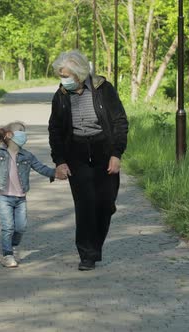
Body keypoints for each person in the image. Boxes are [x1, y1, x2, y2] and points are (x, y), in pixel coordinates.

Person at [48, 50, 129, 271]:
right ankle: (87, 254)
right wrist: (60, 161)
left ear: (80, 73)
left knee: (105, 204)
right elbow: (54, 130)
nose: (63, 80)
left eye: (66, 75)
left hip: (104, 150)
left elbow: (120, 121)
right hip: (77, 153)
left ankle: (95, 245)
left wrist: (116, 153)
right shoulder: (62, 95)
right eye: (61, 75)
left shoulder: (104, 89)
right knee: (84, 205)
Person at [0, 121, 57, 268]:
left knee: (21, 227)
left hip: (20, 198)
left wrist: (55, 173)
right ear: (9, 135)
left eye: (24, 131)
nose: (23, 134)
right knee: (8, 227)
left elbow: (41, 168)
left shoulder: (28, 156)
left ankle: (13, 246)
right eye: (20, 131)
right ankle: (7, 255)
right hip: (4, 197)